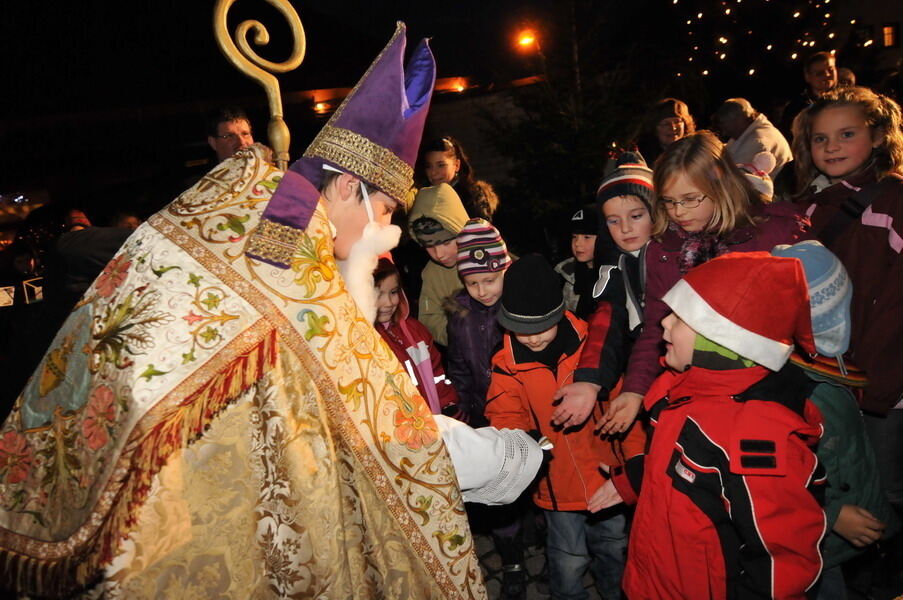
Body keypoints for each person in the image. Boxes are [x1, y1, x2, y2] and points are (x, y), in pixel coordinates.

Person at [0, 24, 490, 599]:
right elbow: (358, 391)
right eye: (382, 209)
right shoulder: (284, 231)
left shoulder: (268, 206)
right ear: (344, 188)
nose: (387, 233)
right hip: (164, 464)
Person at [590, 253, 827, 600]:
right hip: (656, 576)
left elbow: (781, 561)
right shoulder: (679, 386)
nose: (664, 325)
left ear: (722, 339)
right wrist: (633, 480)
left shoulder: (754, 438)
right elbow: (676, 463)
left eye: (680, 318)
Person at [600, 131, 808, 438]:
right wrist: (635, 389)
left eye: (690, 199)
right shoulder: (664, 249)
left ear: (720, 183)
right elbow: (655, 327)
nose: (678, 212)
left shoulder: (774, 234)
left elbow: (808, 323)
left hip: (773, 397)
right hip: (692, 395)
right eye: (668, 202)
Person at [487, 254, 644, 600]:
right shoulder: (506, 365)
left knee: (614, 550)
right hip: (556, 490)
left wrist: (635, 462)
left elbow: (625, 411)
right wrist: (526, 446)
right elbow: (505, 416)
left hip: (607, 479)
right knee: (567, 562)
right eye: (521, 330)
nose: (531, 339)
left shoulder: (595, 350)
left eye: (541, 327)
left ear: (558, 314)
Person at [790, 86, 903, 530]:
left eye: (847, 134)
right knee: (849, 479)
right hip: (833, 375)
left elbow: (896, 305)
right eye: (820, 138)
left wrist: (875, 384)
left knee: (886, 485)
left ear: (877, 137)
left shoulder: (894, 200)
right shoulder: (811, 204)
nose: (831, 146)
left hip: (883, 383)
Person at [772, 240, 900, 599]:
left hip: (846, 539)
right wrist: (831, 516)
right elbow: (775, 479)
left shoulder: (833, 359)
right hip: (816, 546)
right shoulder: (786, 385)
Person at [553, 153, 655, 428]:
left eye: (636, 215)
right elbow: (607, 319)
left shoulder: (676, 257)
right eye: (612, 220)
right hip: (646, 374)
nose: (625, 228)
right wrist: (589, 380)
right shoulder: (616, 265)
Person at [445, 218, 511, 427]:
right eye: (472, 283)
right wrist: (462, 409)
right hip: (480, 413)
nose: (482, 292)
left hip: (518, 410)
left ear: (505, 271)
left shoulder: (517, 309)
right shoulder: (460, 316)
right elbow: (459, 371)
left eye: (489, 281)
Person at [373, 257, 460, 415]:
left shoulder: (415, 330)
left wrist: (448, 403)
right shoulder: (365, 340)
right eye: (378, 294)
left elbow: (436, 373)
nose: (388, 302)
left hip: (434, 421)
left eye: (393, 292)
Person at [407, 182, 469, 346]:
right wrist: (459, 336)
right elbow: (429, 318)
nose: (439, 254)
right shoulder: (431, 273)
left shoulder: (491, 254)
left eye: (446, 243)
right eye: (429, 246)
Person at [418, 136, 500, 221]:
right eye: (428, 166)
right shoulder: (421, 197)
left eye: (441, 165)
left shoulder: (472, 197)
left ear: (457, 165)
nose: (433, 172)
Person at [713, 97, 792, 177]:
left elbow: (735, 180)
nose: (724, 132)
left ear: (739, 120)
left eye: (725, 125)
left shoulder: (756, 142)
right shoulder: (755, 132)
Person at [554, 205, 599, 319]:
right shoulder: (563, 272)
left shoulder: (614, 274)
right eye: (574, 237)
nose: (577, 243)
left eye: (586, 237)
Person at [779, 51, 838, 139]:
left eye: (830, 70)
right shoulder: (796, 108)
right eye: (819, 73)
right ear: (807, 77)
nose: (827, 75)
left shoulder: (849, 99)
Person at [636, 98, 696, 165]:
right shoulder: (642, 159)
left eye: (677, 122)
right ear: (655, 129)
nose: (673, 127)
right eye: (666, 124)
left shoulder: (695, 153)